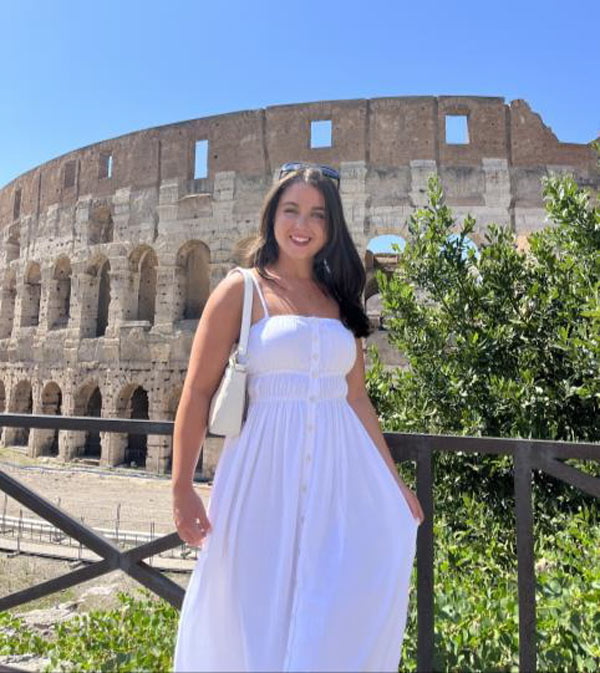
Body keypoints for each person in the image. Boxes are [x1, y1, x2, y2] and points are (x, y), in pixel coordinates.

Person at [171, 162, 424, 672]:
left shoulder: (338, 300)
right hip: (262, 475)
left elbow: (357, 399)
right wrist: (181, 484)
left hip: (339, 478)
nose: (302, 224)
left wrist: (394, 482)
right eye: (291, 210)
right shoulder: (242, 289)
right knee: (252, 613)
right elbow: (197, 391)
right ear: (272, 217)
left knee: (329, 610)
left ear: (331, 229)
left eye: (316, 214)